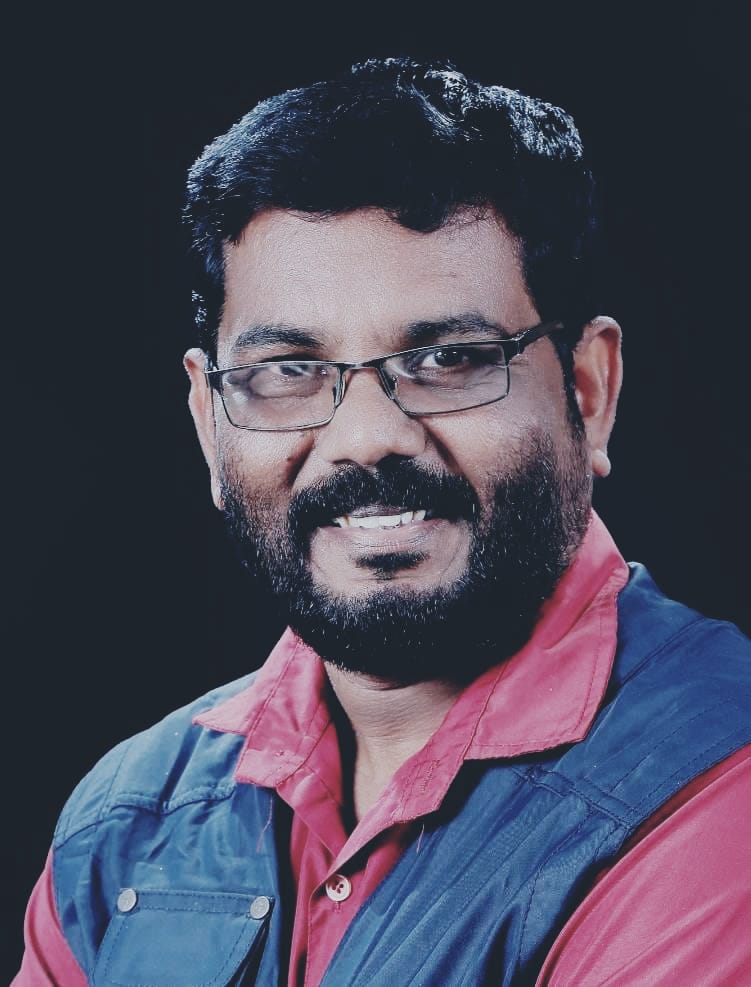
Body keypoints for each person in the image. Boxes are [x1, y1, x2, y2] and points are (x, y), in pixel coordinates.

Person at [15, 56, 750, 986]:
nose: (365, 438)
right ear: (209, 423)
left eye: (448, 358)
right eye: (287, 370)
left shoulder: (718, 792)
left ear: (587, 391)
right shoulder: (125, 822)